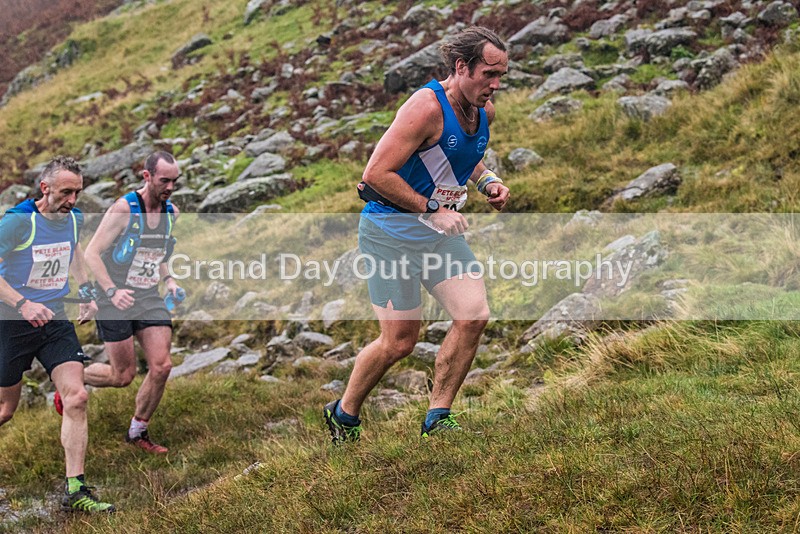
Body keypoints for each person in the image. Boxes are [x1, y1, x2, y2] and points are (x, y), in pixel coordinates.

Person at [324, 26, 510, 442]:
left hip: (438, 236)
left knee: (473, 315)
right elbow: (375, 175)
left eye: (501, 77)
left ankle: (437, 416)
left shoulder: (485, 111)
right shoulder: (425, 108)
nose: (495, 86)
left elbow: (465, 155)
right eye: (488, 75)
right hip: (389, 232)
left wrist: (487, 183)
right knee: (399, 343)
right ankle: (344, 414)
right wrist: (432, 208)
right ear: (462, 67)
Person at [0, 156, 115, 513]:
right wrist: (23, 305)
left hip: (53, 320)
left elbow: (74, 251)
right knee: (5, 409)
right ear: (44, 188)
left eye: (78, 192)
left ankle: (76, 492)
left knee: (77, 396)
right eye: (66, 192)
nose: (72, 200)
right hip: (12, 322)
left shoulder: (73, 219)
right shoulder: (18, 222)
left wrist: (86, 291)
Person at [81, 151, 181, 454]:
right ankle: (69, 375)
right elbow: (91, 253)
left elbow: (159, 253)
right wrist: (112, 291)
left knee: (162, 366)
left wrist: (169, 280)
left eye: (175, 181)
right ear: (146, 176)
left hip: (149, 296)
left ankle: (138, 431)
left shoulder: (171, 212)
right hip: (117, 297)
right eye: (165, 181)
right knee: (122, 376)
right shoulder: (124, 209)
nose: (170, 188)